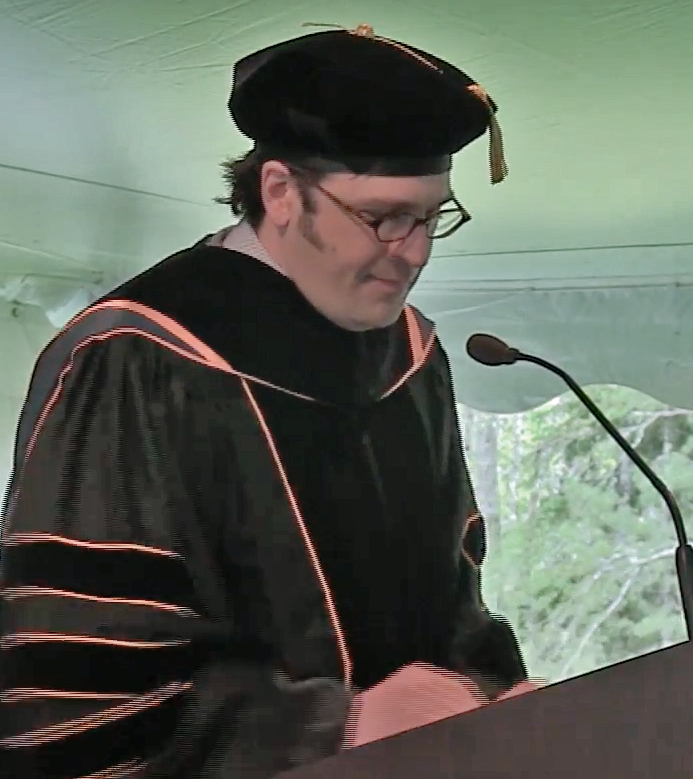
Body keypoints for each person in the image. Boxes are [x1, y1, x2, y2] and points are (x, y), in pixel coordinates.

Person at [0, 23, 532, 779]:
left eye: (431, 217)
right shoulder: (134, 358)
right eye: (380, 217)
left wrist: (499, 698)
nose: (411, 249)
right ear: (280, 191)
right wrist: (328, 727)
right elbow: (71, 681)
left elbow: (457, 611)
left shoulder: (412, 359)